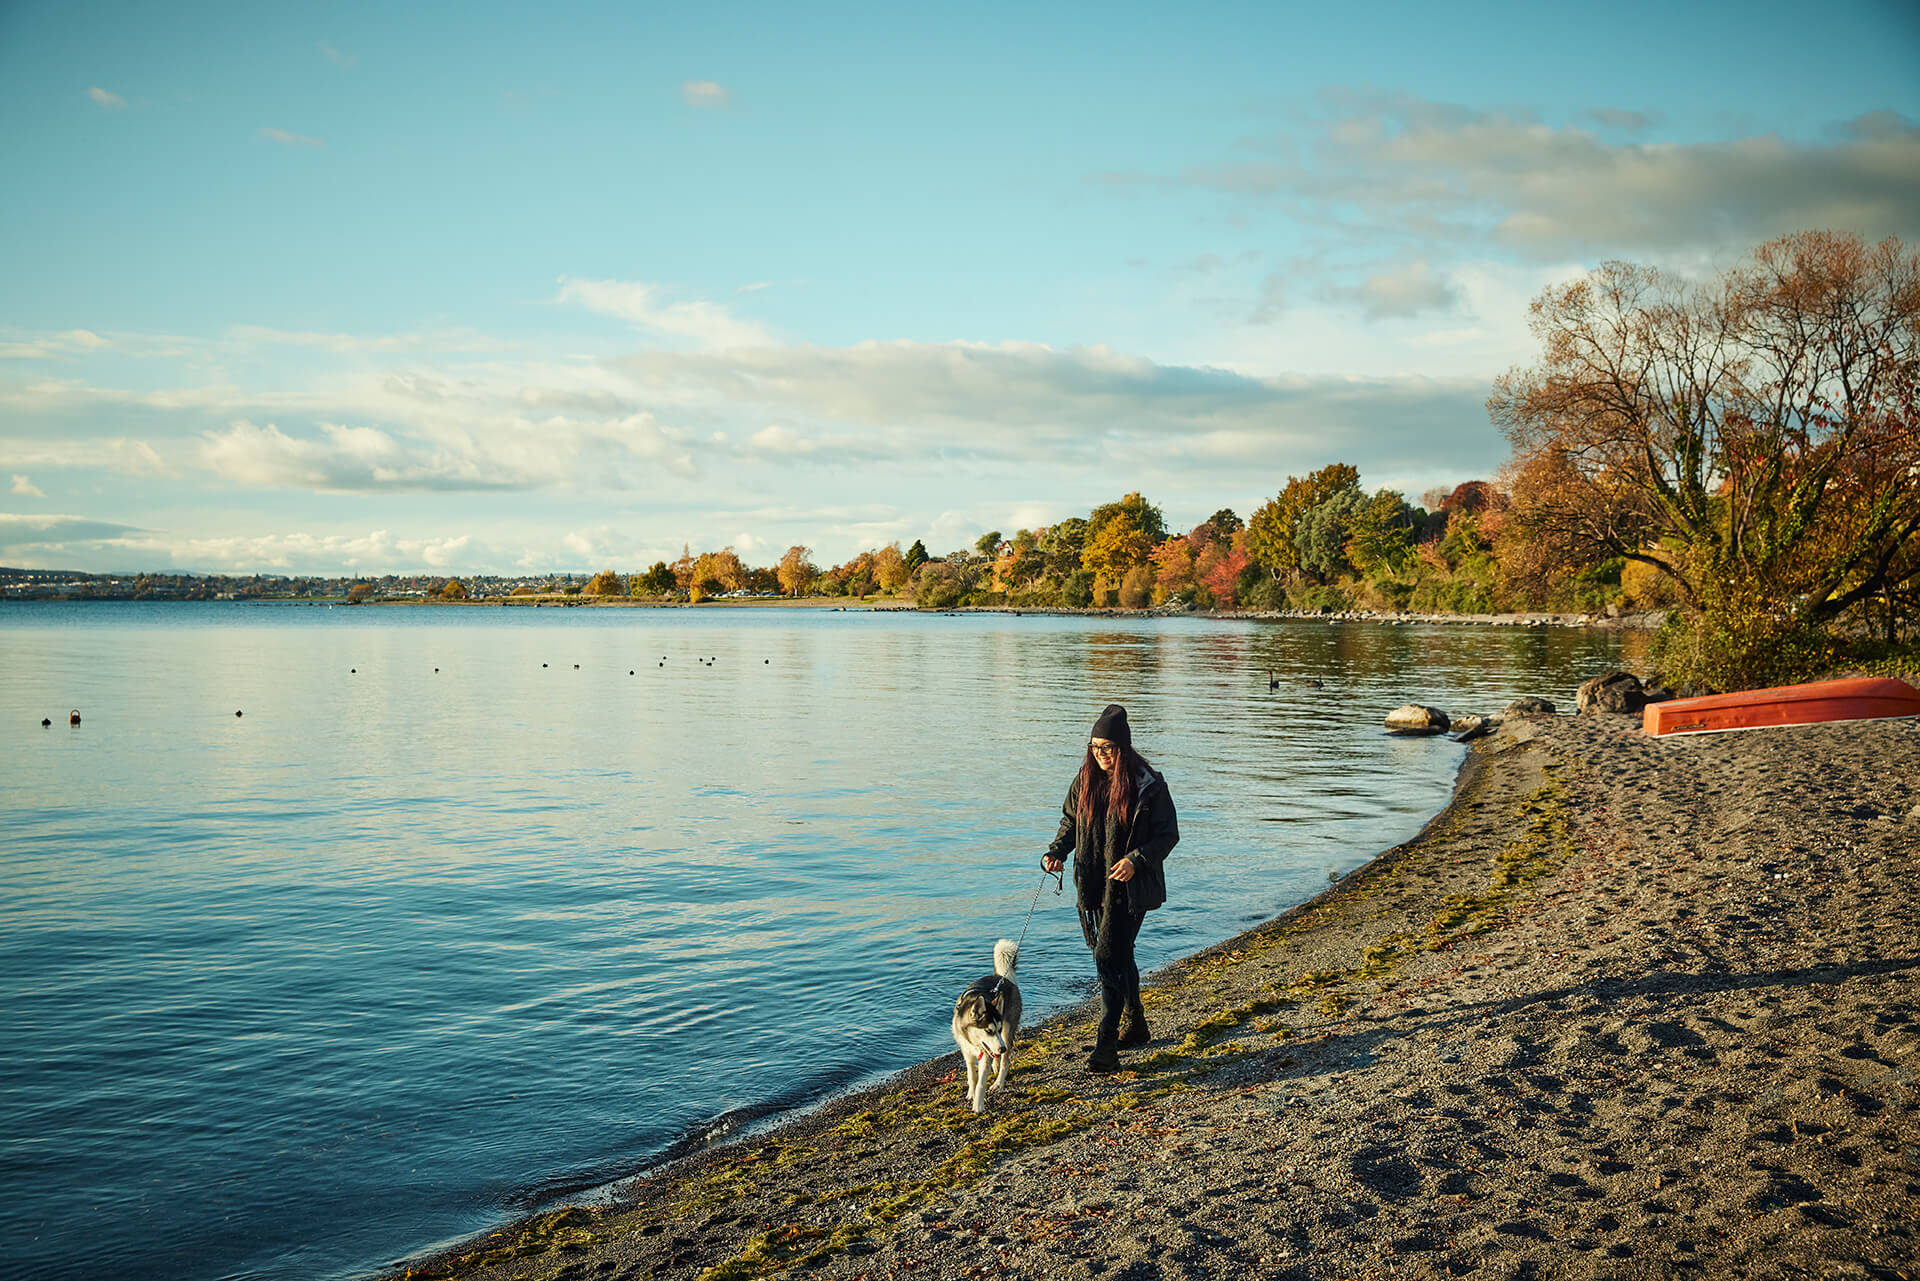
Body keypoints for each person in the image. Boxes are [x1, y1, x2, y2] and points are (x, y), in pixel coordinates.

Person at [1042, 703, 1179, 1072]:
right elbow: (1071, 821)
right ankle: (1135, 1023)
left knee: (1107, 956)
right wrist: (1056, 852)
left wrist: (1137, 860)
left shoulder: (1148, 784)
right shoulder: (1084, 780)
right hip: (1093, 884)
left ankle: (1107, 1046)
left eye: (1108, 748)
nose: (1101, 755)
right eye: (1095, 747)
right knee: (1119, 954)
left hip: (1131, 888)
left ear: (1123, 748)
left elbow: (1168, 835)